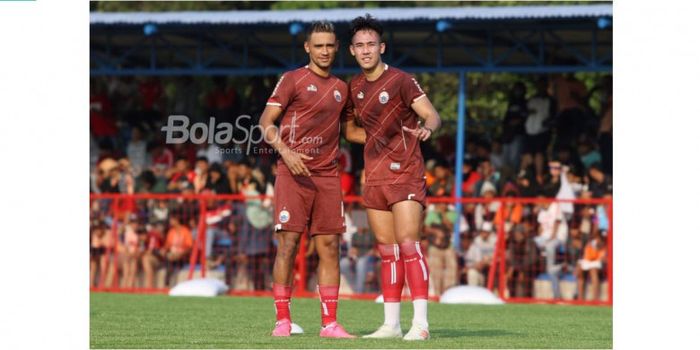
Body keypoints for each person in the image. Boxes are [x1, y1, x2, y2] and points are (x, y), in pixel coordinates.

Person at [259, 21, 365, 338]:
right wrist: (286, 152)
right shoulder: (292, 79)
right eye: (318, 45)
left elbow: (350, 133)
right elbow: (266, 122)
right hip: (292, 175)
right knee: (289, 245)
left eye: (330, 45)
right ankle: (282, 320)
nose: (324, 51)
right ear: (308, 47)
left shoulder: (342, 88)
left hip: (328, 176)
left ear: (336, 48)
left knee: (330, 247)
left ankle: (329, 323)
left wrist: (388, 136)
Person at [347, 14, 441, 340]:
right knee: (387, 250)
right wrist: (374, 136)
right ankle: (391, 325)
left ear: (381, 47)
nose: (366, 50)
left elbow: (431, 114)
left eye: (371, 44)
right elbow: (350, 130)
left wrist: (427, 128)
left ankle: (422, 325)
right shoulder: (354, 87)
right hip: (373, 177)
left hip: (406, 173)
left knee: (408, 244)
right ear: (352, 51)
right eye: (359, 45)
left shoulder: (401, 79)